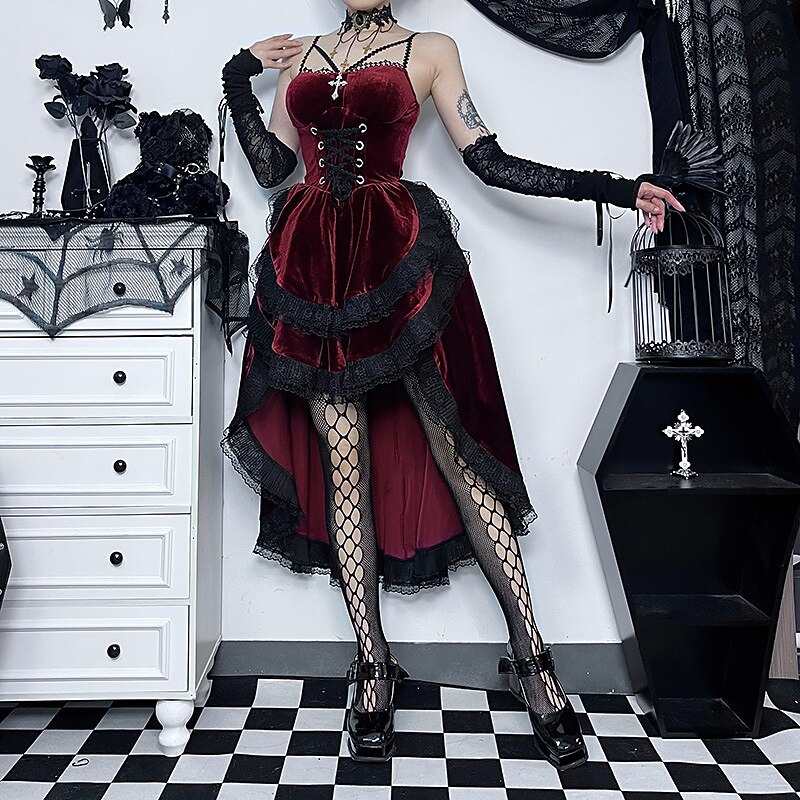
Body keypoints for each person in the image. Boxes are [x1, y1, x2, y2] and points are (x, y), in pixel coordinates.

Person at [220, 0, 682, 770]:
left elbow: (490, 161)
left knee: (462, 459)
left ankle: (534, 664)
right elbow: (275, 169)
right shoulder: (301, 54)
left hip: (400, 265)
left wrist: (612, 187)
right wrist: (239, 77)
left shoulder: (431, 46)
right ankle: (372, 665)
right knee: (344, 469)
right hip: (311, 274)